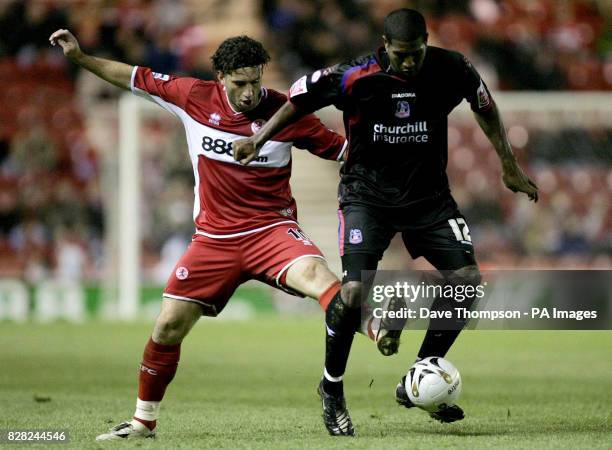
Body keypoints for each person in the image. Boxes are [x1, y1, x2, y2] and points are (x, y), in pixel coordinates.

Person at [49, 29, 383, 440]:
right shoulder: (191, 96)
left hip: (272, 232)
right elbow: (131, 76)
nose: (248, 93)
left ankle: (376, 325)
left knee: (321, 279)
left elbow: (343, 151)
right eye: (239, 83)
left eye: (255, 82)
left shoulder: (286, 112)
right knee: (168, 325)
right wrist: (81, 57)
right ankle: (142, 423)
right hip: (214, 240)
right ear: (221, 77)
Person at [233, 8, 539, 435]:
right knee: (355, 290)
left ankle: (418, 376)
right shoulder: (353, 75)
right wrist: (258, 137)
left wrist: (507, 163)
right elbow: (298, 102)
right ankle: (331, 388)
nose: (409, 62)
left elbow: (484, 105)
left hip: (428, 198)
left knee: (468, 280)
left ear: (427, 42)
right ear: (384, 45)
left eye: (415, 53)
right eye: (400, 54)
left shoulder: (452, 68)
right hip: (366, 196)